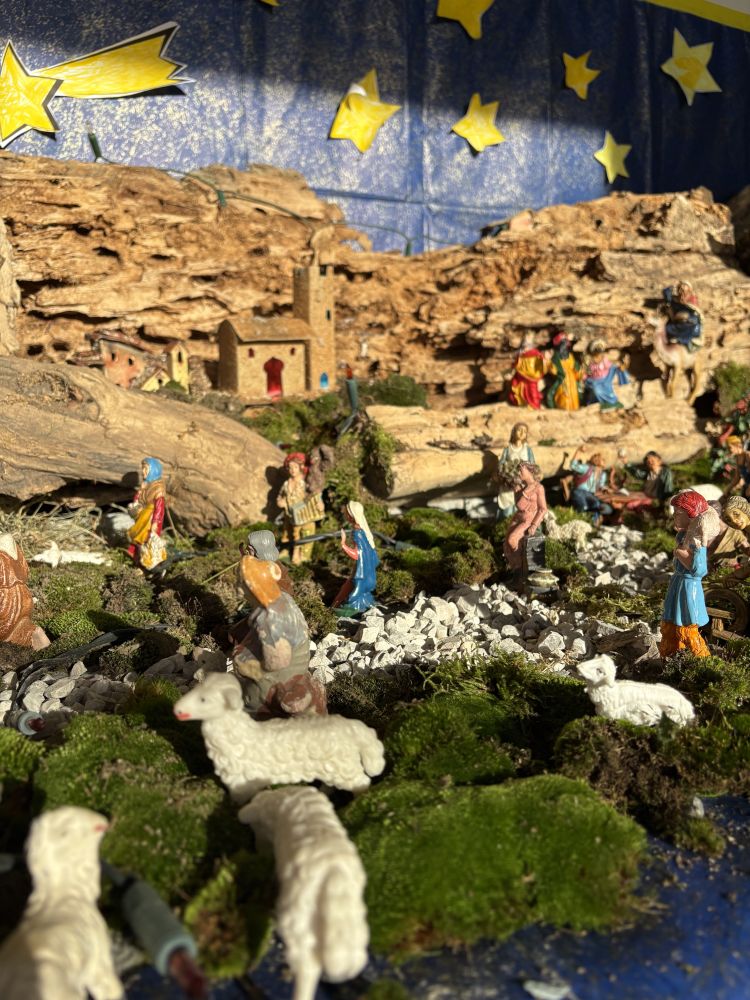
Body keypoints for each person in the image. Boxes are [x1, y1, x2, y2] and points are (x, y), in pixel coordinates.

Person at [233, 555, 326, 718]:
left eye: (241, 583)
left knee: (254, 695)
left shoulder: (270, 620)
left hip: (283, 671)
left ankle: (257, 714)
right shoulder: (281, 597)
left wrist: (252, 668)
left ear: (252, 587)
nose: (237, 588)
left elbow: (278, 661)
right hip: (295, 659)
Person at [658, 490, 720, 659]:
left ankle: (701, 659)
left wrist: (680, 554)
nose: (674, 516)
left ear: (691, 515)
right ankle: (669, 655)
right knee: (669, 625)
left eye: (678, 513)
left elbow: (699, 570)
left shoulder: (697, 539)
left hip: (688, 586)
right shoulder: (682, 535)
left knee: (687, 629)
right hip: (677, 583)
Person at [276, 453, 324, 564]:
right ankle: (286, 550)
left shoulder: (305, 482)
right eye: (290, 467)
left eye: (295, 467)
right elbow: (281, 495)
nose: (292, 470)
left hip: (304, 514)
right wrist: (280, 501)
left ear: (301, 467)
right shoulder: (286, 483)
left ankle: (301, 555)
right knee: (287, 533)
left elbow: (315, 493)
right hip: (290, 515)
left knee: (304, 534)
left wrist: (320, 502)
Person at [332, 501, 379, 613]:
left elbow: (357, 555)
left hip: (360, 570)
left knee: (348, 587)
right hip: (364, 568)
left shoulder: (357, 533)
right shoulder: (362, 531)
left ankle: (334, 609)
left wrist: (343, 544)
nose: (344, 514)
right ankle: (335, 607)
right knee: (347, 587)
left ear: (351, 515)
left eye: (346, 512)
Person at [503, 462, 547, 572]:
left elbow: (543, 509)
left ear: (530, 471)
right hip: (518, 517)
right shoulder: (522, 486)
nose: (518, 473)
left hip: (528, 519)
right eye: (518, 470)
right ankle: (515, 567)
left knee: (512, 540)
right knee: (506, 544)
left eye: (521, 470)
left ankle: (520, 566)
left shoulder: (538, 488)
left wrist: (534, 525)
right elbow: (519, 505)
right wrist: (516, 491)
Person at [127, 457, 167, 570]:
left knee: (146, 541)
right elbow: (137, 501)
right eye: (142, 468)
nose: (143, 471)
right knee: (137, 538)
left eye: (146, 469)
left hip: (150, 520)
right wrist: (140, 491)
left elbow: (159, 508)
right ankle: (137, 562)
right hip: (142, 517)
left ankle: (145, 566)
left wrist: (155, 523)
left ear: (153, 470)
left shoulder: (158, 488)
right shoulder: (145, 485)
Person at [495, 423, 536, 519]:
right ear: (513, 432)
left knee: (523, 510)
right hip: (510, 486)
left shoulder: (527, 449)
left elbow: (533, 466)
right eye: (519, 430)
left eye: (524, 431)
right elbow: (501, 465)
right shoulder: (508, 449)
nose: (522, 433)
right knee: (508, 512)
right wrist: (506, 475)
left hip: (523, 485)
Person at [569, 448, 612, 526]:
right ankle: (580, 523)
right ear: (597, 461)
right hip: (579, 491)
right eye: (602, 460)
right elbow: (573, 465)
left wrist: (605, 489)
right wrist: (578, 451)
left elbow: (601, 485)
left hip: (590, 494)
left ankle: (593, 524)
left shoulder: (603, 474)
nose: (604, 461)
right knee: (583, 506)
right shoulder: (587, 468)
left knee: (596, 504)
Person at [583, 340, 630, 409]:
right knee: (593, 389)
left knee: (599, 390)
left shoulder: (604, 360)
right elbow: (587, 371)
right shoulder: (590, 362)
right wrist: (584, 376)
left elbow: (611, 367)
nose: (599, 356)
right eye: (597, 354)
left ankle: (610, 402)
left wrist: (621, 366)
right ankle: (596, 402)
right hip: (594, 380)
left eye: (600, 353)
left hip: (605, 379)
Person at [545, 331, 584, 411]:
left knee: (574, 394)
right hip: (562, 379)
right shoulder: (556, 357)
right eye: (563, 343)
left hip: (572, 379)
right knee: (563, 395)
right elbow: (554, 369)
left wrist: (579, 371)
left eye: (566, 343)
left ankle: (574, 408)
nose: (565, 345)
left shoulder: (570, 356)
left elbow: (575, 366)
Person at [662, 281, 703, 352]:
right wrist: (672, 286)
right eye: (680, 289)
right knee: (668, 328)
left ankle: (685, 342)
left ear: (689, 290)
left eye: (684, 290)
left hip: (689, 323)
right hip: (677, 323)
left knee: (691, 327)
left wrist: (686, 316)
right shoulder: (675, 300)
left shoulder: (692, 300)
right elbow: (666, 293)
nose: (682, 292)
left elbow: (696, 314)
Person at [508, 341, 547, 409]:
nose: (525, 349)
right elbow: (517, 363)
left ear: (530, 347)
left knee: (532, 391)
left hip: (532, 376)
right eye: (524, 347)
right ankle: (524, 403)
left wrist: (543, 361)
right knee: (521, 389)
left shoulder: (536, 354)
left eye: (526, 347)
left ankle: (534, 405)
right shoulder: (521, 354)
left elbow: (541, 364)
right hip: (521, 375)